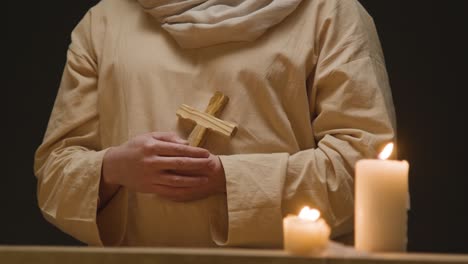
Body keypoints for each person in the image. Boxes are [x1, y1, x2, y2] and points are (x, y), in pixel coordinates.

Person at [34, 0, 396, 247]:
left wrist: (227, 179)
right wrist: (112, 169)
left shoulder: (328, 12)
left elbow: (364, 166)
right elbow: (54, 174)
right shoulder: (106, 20)